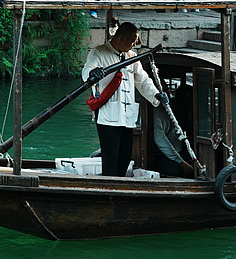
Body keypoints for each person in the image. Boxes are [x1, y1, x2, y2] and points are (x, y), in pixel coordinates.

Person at [82, 22, 168, 177]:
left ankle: (119, 186)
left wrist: (156, 96)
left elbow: (143, 80)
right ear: (121, 38)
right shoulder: (99, 53)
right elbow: (87, 70)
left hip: (127, 118)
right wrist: (92, 74)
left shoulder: (132, 57)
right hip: (108, 117)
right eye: (133, 41)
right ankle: (109, 191)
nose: (135, 44)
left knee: (125, 158)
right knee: (110, 160)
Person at [153, 85, 194, 178]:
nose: (166, 94)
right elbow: (160, 140)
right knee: (179, 171)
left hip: (179, 151)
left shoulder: (169, 108)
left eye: (167, 91)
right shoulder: (155, 115)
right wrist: (180, 161)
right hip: (163, 156)